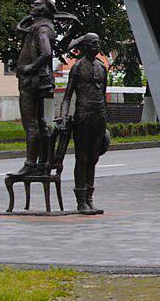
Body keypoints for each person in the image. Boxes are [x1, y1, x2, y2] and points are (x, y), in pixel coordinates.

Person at [57, 33, 109, 214]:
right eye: (93, 43)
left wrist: (105, 122)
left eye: (98, 43)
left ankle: (89, 199)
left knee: (94, 158)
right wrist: (63, 115)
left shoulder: (103, 68)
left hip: (99, 117)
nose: (97, 46)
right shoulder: (77, 67)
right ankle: (81, 202)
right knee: (82, 158)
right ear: (85, 46)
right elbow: (67, 96)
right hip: (83, 116)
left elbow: (103, 96)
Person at [11, 0, 58, 176]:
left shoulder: (42, 29)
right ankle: (45, 161)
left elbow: (46, 53)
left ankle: (31, 165)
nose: (33, 4)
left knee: (30, 124)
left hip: (31, 82)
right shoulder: (39, 26)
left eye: (36, 4)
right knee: (39, 122)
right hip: (33, 81)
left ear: (43, 9)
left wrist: (30, 67)